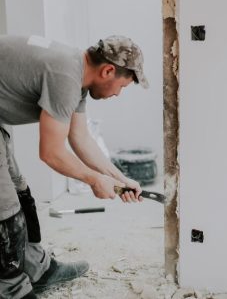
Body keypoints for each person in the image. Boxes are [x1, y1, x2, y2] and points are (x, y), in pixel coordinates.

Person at [0, 35, 149, 299]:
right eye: (121, 87)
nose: (117, 94)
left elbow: (80, 138)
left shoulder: (76, 73)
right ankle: (12, 291)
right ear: (108, 71)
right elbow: (51, 153)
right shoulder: (65, 77)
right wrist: (93, 180)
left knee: (19, 192)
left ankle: (38, 269)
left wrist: (118, 177)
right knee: (5, 210)